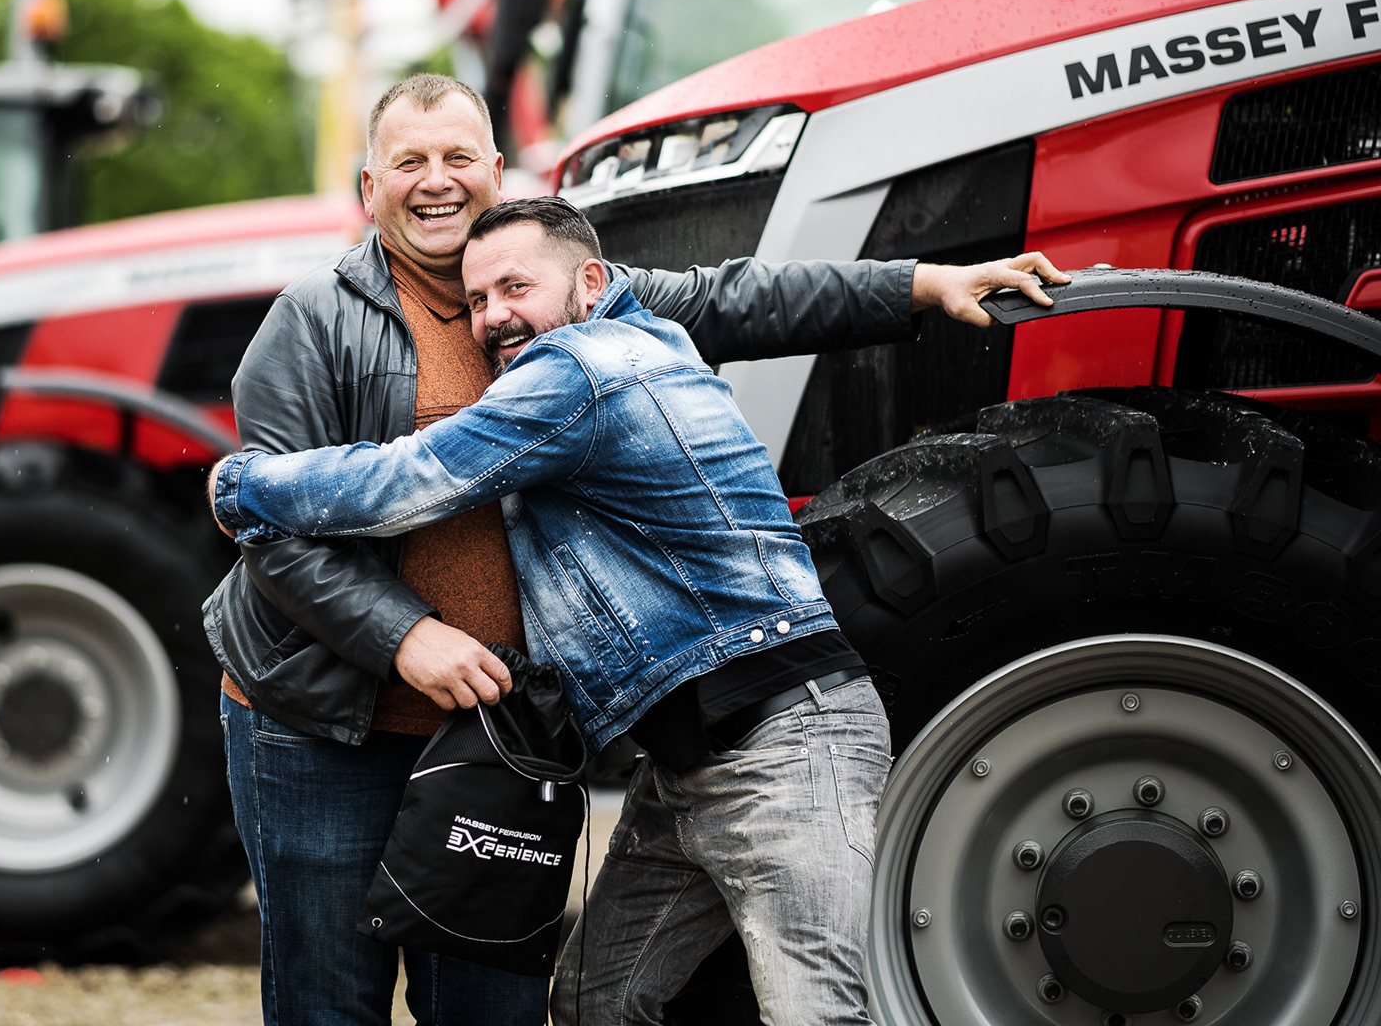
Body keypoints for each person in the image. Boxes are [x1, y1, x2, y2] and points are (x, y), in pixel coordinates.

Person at [201, 74, 1062, 1026]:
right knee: (331, 1003)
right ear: (370, 187)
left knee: (491, 1008)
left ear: (498, 172)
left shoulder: (568, 313)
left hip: (501, 732)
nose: (436, 181)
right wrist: (401, 636)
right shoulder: (314, 319)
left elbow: (739, 297)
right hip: (327, 723)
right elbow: (278, 541)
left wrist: (924, 284)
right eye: (410, 162)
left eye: (458, 157)